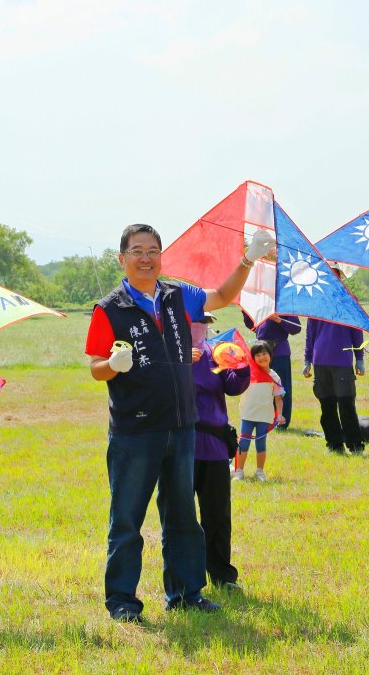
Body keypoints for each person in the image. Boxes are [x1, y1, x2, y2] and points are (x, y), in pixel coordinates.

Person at [85, 222, 275, 623]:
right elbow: (95, 368)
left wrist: (247, 259)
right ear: (123, 258)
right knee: (127, 519)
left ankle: (186, 593)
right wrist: (113, 365)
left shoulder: (177, 296)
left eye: (153, 250)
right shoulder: (109, 308)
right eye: (137, 251)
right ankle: (122, 600)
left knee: (182, 517)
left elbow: (222, 296)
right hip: (135, 430)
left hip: (181, 425)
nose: (146, 258)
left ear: (161, 256)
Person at [190, 315, 249, 588]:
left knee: (217, 514)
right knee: (180, 515)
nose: (199, 326)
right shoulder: (169, 352)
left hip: (214, 445)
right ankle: (186, 580)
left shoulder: (216, 353)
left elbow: (234, 385)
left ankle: (222, 576)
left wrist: (242, 361)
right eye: (194, 321)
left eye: (204, 321)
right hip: (181, 446)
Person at [302, 284, 367, 454]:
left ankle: (355, 445)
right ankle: (334, 445)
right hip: (320, 360)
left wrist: (359, 358)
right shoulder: (316, 304)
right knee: (327, 405)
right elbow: (310, 334)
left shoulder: (349, 301)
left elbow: (356, 331)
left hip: (343, 361)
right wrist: (307, 360)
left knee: (346, 404)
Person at [232, 340, 284, 481]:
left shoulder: (274, 377)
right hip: (248, 414)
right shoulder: (248, 373)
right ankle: (239, 471)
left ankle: (260, 471)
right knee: (244, 442)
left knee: (261, 443)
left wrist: (279, 414)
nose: (262, 357)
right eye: (258, 355)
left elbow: (278, 399)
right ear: (253, 358)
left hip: (264, 415)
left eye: (264, 353)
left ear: (270, 356)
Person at [242, 312, 301, 429]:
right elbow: (252, 325)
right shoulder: (261, 303)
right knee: (261, 388)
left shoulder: (284, 304)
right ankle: (264, 420)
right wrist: (245, 311)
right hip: (260, 352)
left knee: (281, 388)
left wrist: (280, 321)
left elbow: (296, 328)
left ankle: (281, 421)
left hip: (279, 352)